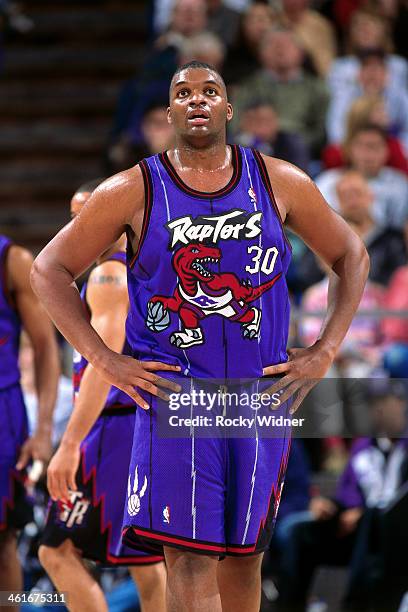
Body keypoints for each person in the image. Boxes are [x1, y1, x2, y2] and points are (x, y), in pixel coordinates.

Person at [31, 61, 369, 612]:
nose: (196, 100)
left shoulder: (279, 180)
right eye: (183, 93)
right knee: (187, 561)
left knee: (245, 560)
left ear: (228, 109)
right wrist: (104, 359)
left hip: (258, 402)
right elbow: (49, 269)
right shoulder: (132, 189)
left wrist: (326, 349)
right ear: (169, 113)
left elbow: (351, 254)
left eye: (209, 91)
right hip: (178, 402)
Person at [38, 180, 169, 612]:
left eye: (89, 215)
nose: (79, 226)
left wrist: (71, 443)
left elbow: (106, 362)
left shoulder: (109, 274)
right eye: (73, 217)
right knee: (146, 562)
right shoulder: (144, 268)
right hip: (140, 426)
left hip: (115, 430)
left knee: (55, 550)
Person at [0, 235, 59, 611]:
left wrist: (43, 431)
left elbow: (45, 346)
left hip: (3, 414)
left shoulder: (12, 259)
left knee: (3, 540)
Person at [232, 27, 329, 156]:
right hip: (255, 146)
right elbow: (234, 122)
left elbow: (321, 129)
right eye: (273, 45)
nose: (280, 50)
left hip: (299, 149)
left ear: (301, 53)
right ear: (261, 53)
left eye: (287, 45)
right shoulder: (248, 87)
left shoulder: (317, 89)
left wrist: (293, 140)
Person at [316, 123, 408, 230]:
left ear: (386, 150)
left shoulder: (400, 185)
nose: (367, 154)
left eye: (374, 147)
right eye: (361, 146)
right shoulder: (328, 181)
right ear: (349, 149)